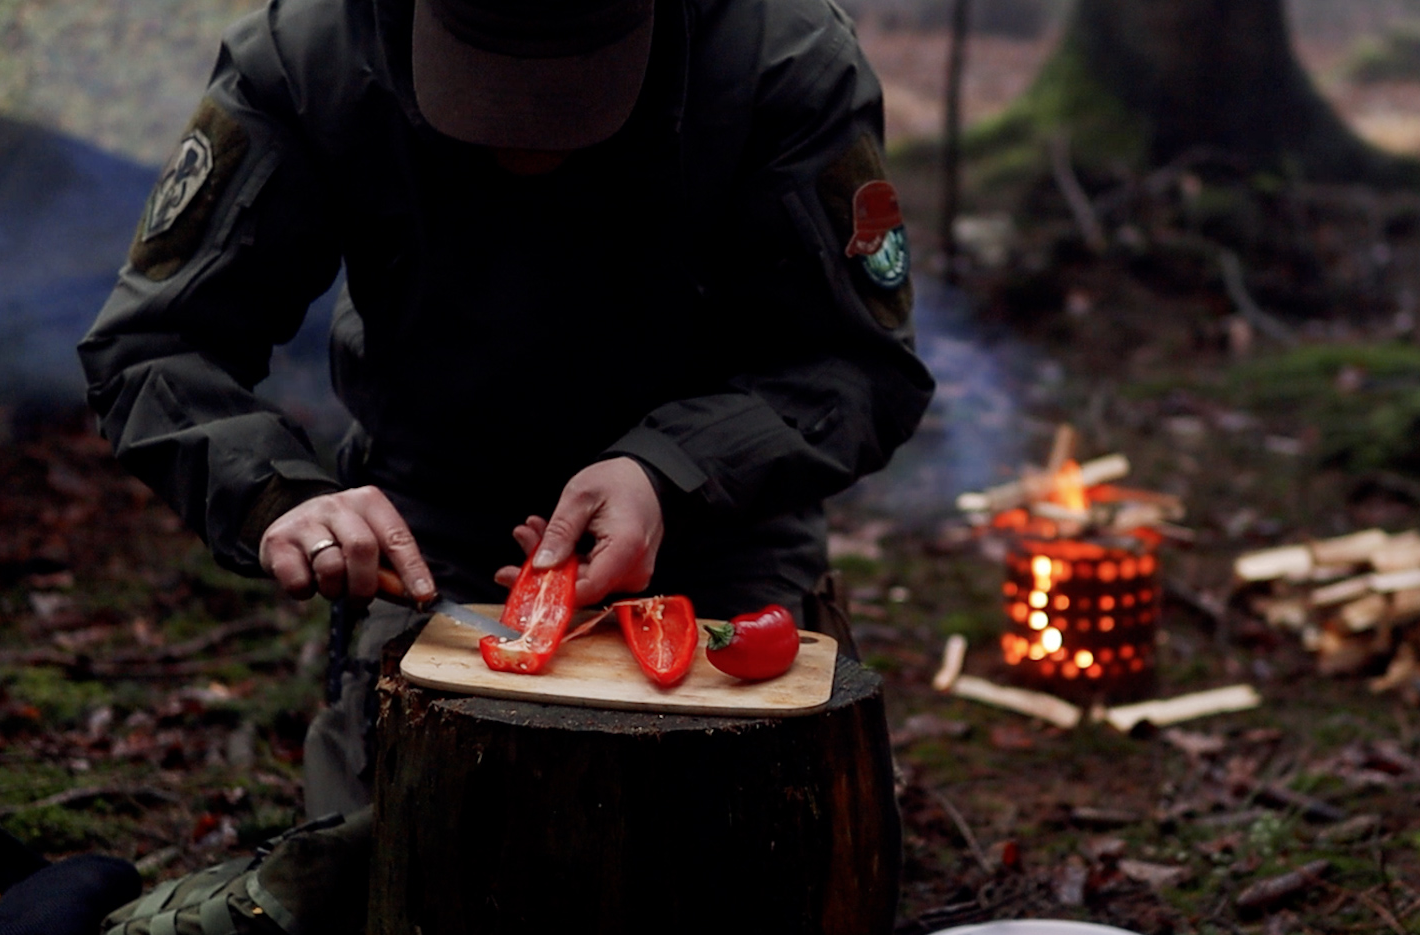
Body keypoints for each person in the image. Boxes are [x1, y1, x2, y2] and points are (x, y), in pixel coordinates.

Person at [79, 0, 934, 823]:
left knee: (758, 845)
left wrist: (669, 472)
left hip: (722, 531)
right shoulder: (314, 53)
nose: (528, 145)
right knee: (390, 861)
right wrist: (277, 495)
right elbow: (154, 345)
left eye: (571, 90)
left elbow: (859, 365)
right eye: (487, 82)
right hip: (431, 538)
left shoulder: (779, 55)